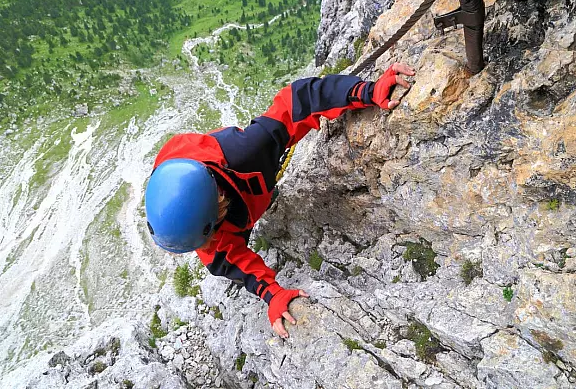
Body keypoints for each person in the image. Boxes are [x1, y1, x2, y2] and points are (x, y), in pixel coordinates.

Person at [145, 63, 415, 338]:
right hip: (204, 187)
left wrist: (366, 91)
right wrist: (273, 295)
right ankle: (259, 196)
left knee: (265, 167)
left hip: (231, 167)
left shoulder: (246, 153)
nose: (204, 248)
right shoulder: (193, 225)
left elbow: (300, 99)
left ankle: (262, 192)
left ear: (216, 214)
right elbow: (236, 262)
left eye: (204, 241)